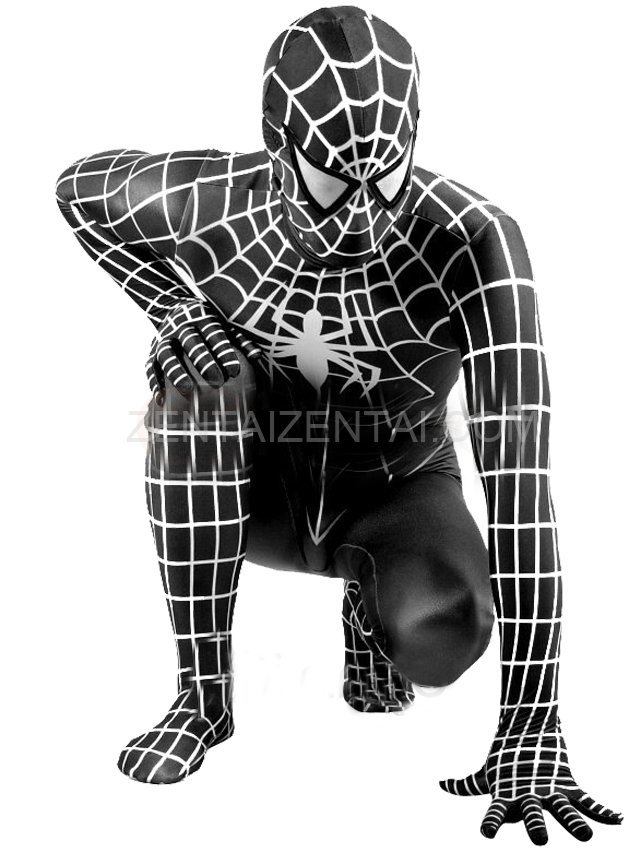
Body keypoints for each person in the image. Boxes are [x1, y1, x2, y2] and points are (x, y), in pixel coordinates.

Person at [55, 4, 622, 843]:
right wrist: (176, 310)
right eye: (330, 184)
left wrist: (532, 723)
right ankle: (201, 698)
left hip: (397, 490)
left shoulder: (475, 241)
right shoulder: (207, 199)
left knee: (446, 630)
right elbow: (78, 189)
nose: (361, 219)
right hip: (250, 484)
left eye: (384, 180)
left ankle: (372, 611)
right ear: (277, 143)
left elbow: (521, 485)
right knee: (199, 383)